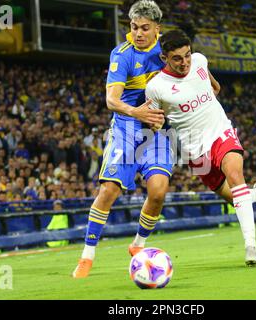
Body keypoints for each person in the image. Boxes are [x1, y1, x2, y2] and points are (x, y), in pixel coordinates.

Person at [145, 29, 256, 266]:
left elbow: (213, 86)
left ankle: (251, 246)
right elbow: (155, 122)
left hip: (220, 132)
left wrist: (209, 93)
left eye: (187, 55)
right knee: (233, 198)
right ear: (164, 58)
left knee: (236, 176)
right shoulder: (156, 87)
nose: (184, 62)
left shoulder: (199, 61)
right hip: (192, 150)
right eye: (177, 58)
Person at [72, 0, 172, 278]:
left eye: (145, 28)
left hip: (158, 133)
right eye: (134, 27)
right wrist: (136, 111)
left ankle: (138, 245)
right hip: (126, 130)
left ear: (157, 29)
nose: (138, 33)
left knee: (158, 191)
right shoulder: (122, 54)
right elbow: (111, 100)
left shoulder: (168, 50)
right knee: (109, 191)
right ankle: (87, 256)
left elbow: (190, 68)